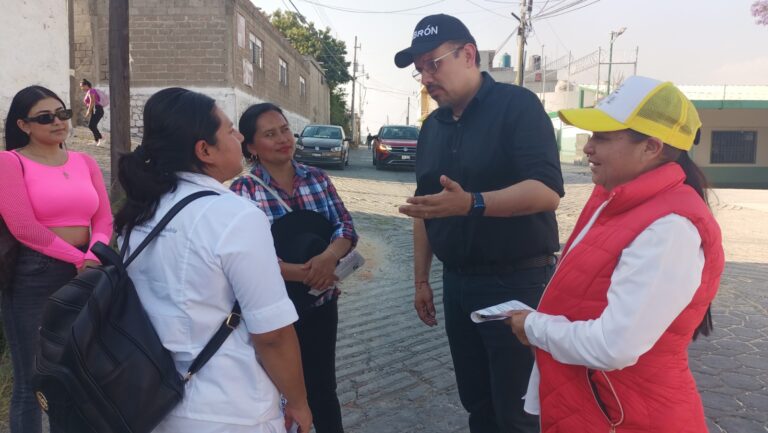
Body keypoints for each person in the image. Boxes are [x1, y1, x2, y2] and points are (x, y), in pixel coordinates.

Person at [506, 76, 725, 433]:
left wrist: (534, 327)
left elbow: (614, 346)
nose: (588, 148)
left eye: (603, 138)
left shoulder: (669, 228)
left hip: (627, 416)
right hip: (597, 403)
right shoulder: (614, 198)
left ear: (651, 147)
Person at [395, 14, 564, 433]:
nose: (425, 77)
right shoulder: (432, 128)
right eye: (419, 69)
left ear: (468, 55)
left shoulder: (516, 106)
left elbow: (547, 191)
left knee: (519, 411)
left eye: (433, 63)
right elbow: (426, 208)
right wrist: (421, 281)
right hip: (459, 285)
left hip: (517, 283)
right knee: (478, 403)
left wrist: (472, 204)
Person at [113, 88, 312, 433]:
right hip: (230, 407)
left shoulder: (140, 211)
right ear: (204, 150)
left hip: (152, 402)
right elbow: (274, 334)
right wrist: (298, 401)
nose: (238, 137)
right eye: (230, 130)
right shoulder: (235, 216)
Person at [230, 103, 358, 433]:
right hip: (274, 313)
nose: (282, 139)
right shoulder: (244, 191)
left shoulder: (316, 178)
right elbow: (246, 257)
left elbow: (345, 225)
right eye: (270, 134)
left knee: (324, 392)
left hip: (320, 303)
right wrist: (301, 272)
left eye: (285, 129)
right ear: (251, 147)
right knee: (278, 395)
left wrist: (328, 258)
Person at [0, 85, 113, 433]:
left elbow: (104, 219)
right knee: (31, 378)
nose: (58, 122)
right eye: (45, 117)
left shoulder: (85, 162)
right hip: (35, 274)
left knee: (80, 373)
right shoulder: (10, 162)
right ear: (23, 125)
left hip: (89, 271)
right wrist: (77, 259)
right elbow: (23, 227)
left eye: (62, 114)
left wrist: (93, 253)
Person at [79, 79, 104, 146]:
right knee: (92, 125)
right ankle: (97, 140)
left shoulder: (91, 91)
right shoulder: (89, 92)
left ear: (86, 85)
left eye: (82, 86)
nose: (81, 88)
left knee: (92, 125)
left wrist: (88, 112)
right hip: (95, 109)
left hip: (97, 109)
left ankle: (100, 139)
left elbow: (92, 101)